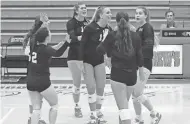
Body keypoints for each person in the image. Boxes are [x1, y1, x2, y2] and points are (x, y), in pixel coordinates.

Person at [96, 11, 145, 124]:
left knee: (123, 109)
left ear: (117, 22)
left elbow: (99, 50)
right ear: (129, 22)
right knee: (124, 107)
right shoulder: (135, 36)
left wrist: (107, 52)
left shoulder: (112, 35)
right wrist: (141, 71)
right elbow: (139, 56)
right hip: (132, 76)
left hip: (118, 75)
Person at [26, 17, 71, 124]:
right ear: (47, 37)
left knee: (36, 109)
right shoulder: (46, 49)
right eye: (49, 33)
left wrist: (41, 24)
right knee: (54, 105)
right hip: (43, 82)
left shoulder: (33, 46)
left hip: (30, 81)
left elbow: (34, 35)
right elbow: (58, 53)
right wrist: (67, 43)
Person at [79, 6, 112, 124]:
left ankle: (98, 111)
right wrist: (80, 62)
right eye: (108, 12)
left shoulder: (109, 29)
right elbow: (82, 45)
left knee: (101, 87)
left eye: (110, 12)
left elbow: (111, 45)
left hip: (99, 61)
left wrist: (109, 57)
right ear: (101, 15)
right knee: (91, 87)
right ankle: (92, 114)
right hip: (87, 61)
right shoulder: (90, 28)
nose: (110, 14)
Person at [132, 6, 162, 124]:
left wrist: (138, 61)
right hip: (138, 64)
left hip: (144, 64)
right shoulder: (139, 29)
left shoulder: (147, 27)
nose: (137, 15)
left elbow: (148, 48)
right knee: (136, 94)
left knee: (136, 94)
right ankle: (147, 115)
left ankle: (147, 116)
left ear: (145, 16)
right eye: (136, 13)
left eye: (140, 13)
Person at [23, 13, 47, 124]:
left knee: (38, 97)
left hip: (39, 71)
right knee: (34, 97)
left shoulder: (40, 37)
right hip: (33, 71)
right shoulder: (32, 38)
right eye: (45, 21)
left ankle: (35, 117)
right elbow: (28, 53)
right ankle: (32, 118)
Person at [66, 2, 88, 118]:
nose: (84, 10)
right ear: (76, 10)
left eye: (85, 8)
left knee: (90, 83)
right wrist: (83, 37)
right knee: (77, 83)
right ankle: (77, 106)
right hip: (74, 57)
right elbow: (72, 38)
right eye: (82, 8)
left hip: (86, 57)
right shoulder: (71, 23)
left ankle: (94, 108)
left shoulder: (87, 22)